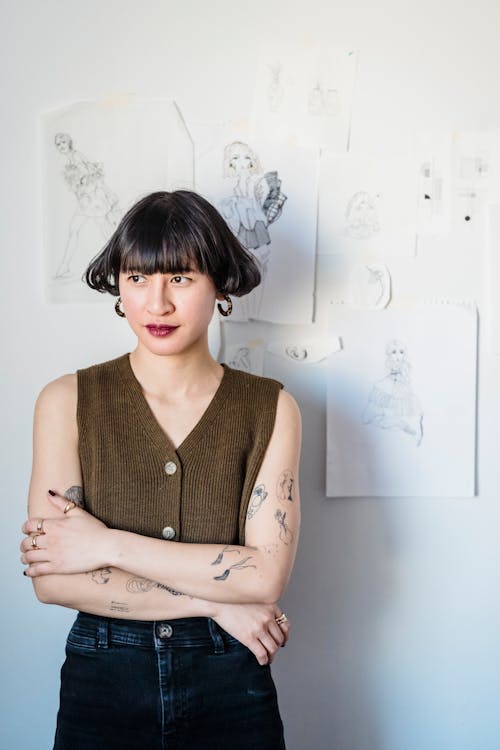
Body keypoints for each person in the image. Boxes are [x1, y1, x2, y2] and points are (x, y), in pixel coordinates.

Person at [20, 190, 301, 750]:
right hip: (103, 678)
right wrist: (217, 601)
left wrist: (105, 544)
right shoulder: (66, 400)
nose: (157, 304)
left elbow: (266, 576)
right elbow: (53, 579)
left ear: (219, 284)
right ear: (119, 287)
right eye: (138, 278)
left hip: (229, 678)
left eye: (180, 278)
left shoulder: (271, 408)